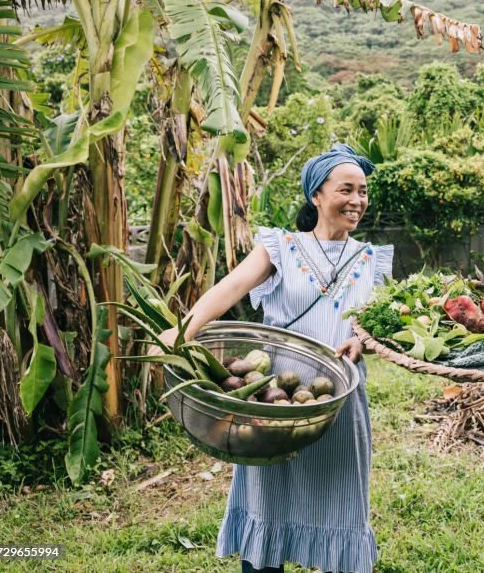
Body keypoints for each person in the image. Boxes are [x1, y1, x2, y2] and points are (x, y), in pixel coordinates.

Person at [156, 144, 393, 573]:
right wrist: (183, 330)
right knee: (269, 498)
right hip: (271, 399)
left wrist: (365, 340)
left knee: (340, 499)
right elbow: (230, 288)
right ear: (316, 195)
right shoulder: (281, 247)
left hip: (336, 402)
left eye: (362, 191)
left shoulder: (372, 260)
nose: (357, 201)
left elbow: (378, 325)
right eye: (346, 189)